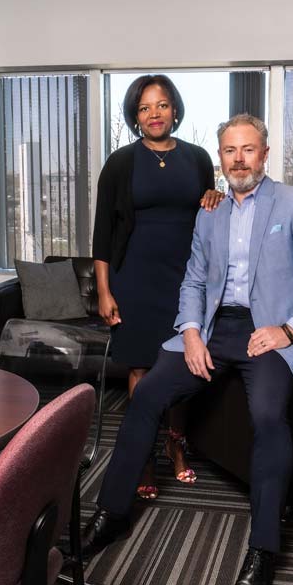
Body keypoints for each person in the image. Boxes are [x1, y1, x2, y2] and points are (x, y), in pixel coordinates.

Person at [82, 114, 293, 585]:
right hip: (213, 330)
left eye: (248, 149)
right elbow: (194, 279)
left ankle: (262, 550)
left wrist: (290, 329)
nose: (238, 159)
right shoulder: (210, 212)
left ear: (264, 153)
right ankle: (112, 512)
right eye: (230, 151)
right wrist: (190, 333)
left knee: (268, 417)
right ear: (220, 158)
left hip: (267, 332)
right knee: (147, 395)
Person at [92, 75, 222, 499]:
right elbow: (103, 232)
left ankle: (175, 444)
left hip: (186, 279)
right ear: (135, 116)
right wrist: (104, 291)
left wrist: (215, 198)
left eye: (162, 105)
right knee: (141, 369)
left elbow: (209, 209)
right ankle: (144, 453)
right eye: (145, 107)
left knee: (184, 365)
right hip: (135, 278)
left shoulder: (198, 158)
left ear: (175, 109)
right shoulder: (120, 162)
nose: (154, 114)